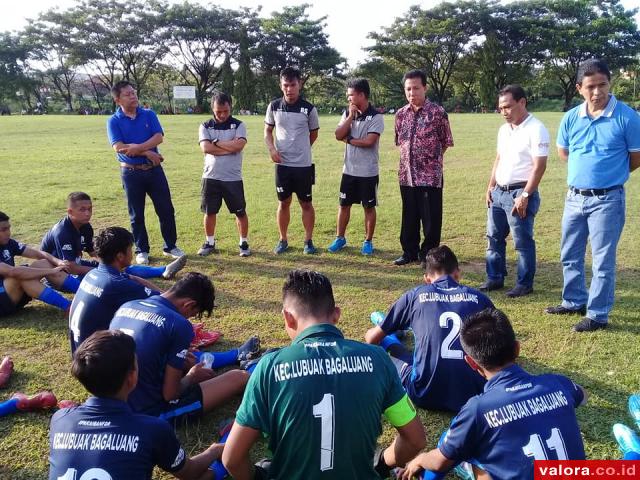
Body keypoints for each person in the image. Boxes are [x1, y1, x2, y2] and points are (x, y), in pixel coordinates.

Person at [222, 270, 426, 480]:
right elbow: (415, 440)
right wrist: (381, 463)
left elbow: (232, 458)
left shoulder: (269, 367)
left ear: (287, 317)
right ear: (336, 314)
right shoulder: (378, 358)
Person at [399, 308, 587, 480]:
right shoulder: (557, 383)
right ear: (517, 348)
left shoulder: (478, 409)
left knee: (456, 444)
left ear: (472, 363)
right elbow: (583, 396)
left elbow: (440, 461)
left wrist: (421, 459)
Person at [49, 330, 227, 480]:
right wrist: (215, 450)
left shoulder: (60, 419)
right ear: (132, 378)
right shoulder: (152, 428)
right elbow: (190, 472)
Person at [546, 59, 640, 332]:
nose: (597, 92)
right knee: (570, 253)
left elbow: (635, 158)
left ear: (610, 84)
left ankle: (597, 314)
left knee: (602, 260)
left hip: (607, 200)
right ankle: (573, 300)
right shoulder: (571, 117)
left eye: (602, 85)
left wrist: (610, 176)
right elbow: (564, 153)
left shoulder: (628, 117)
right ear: (579, 88)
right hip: (574, 197)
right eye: (591, 87)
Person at [109, 272, 260, 421]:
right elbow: (170, 394)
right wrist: (191, 377)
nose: (189, 319)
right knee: (238, 377)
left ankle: (241, 356)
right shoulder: (178, 324)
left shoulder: (128, 306)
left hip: (112, 401)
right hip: (147, 412)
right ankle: (259, 366)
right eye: (193, 314)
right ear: (189, 304)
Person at [365, 245, 493, 412]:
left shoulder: (415, 295)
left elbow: (372, 339)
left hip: (424, 392)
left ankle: (389, 327)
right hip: (474, 393)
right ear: (458, 273)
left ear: (427, 279)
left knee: (389, 350)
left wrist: (376, 331)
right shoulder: (480, 299)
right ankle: (394, 328)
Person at [481, 85, 549, 298]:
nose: (504, 112)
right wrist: (490, 186)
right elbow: (499, 159)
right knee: (493, 237)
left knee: (522, 241)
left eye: (508, 107)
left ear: (522, 102)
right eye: (501, 108)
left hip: (519, 193)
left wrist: (526, 196)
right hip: (499, 192)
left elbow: (540, 166)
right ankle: (495, 277)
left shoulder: (536, 128)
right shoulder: (504, 130)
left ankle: (524, 283)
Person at [107, 80, 184, 265]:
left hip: (154, 170)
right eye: (128, 94)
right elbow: (119, 147)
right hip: (131, 173)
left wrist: (138, 148)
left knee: (166, 209)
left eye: (134, 92)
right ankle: (142, 249)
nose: (133, 96)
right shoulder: (114, 121)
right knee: (136, 213)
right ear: (118, 100)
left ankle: (170, 246)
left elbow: (159, 137)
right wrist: (147, 152)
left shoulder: (148, 114)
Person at [41, 192, 186, 283]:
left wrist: (110, 263)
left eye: (90, 209)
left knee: (116, 266)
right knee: (109, 276)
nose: (87, 213)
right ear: (70, 212)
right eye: (82, 210)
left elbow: (92, 252)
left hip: (75, 265)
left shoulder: (86, 226)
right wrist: (106, 270)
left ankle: (163, 270)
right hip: (58, 273)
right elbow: (71, 268)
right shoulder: (63, 232)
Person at [68, 226, 162, 353]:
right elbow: (163, 302)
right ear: (120, 256)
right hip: (98, 361)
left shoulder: (93, 274)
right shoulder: (117, 285)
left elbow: (133, 278)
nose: (132, 253)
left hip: (79, 355)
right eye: (130, 249)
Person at [393, 70, 453, 267]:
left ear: (425, 88)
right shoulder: (401, 115)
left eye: (416, 88)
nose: (412, 93)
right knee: (409, 215)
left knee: (431, 218)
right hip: (407, 175)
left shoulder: (437, 113)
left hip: (430, 176)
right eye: (408, 89)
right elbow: (399, 142)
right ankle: (408, 251)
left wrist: (430, 161)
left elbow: (445, 142)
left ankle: (428, 255)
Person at [264, 67, 320, 255]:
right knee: (284, 202)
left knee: (306, 203)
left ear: (299, 85)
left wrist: (302, 149)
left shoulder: (309, 109)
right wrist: (272, 149)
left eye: (293, 85)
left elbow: (313, 134)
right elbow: (267, 132)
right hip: (282, 165)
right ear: (281, 86)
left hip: (303, 166)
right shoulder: (274, 106)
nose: (289, 89)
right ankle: (283, 239)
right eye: (286, 85)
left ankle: (308, 240)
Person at [328, 78, 384, 256]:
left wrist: (350, 140)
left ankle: (368, 241)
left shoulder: (375, 116)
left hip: (368, 171)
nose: (349, 98)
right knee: (344, 205)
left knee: (368, 207)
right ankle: (340, 238)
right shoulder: (347, 113)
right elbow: (338, 135)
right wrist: (351, 117)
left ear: (362, 94)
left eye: (351, 95)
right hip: (349, 171)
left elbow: (369, 141)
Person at [197, 92, 250, 257]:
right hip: (211, 176)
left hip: (232, 177)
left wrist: (217, 143)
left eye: (225, 111)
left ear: (230, 107)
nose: (222, 115)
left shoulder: (239, 125)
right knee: (209, 211)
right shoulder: (205, 126)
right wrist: (228, 146)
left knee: (240, 212)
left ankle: (243, 242)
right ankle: (210, 242)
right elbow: (206, 148)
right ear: (212, 108)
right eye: (218, 111)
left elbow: (238, 146)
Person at [0, 211, 73, 316]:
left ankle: (86, 292)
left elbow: (39, 254)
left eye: (8, 228)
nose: (8, 232)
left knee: (43, 263)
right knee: (20, 275)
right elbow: (13, 271)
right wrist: (50, 271)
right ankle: (69, 307)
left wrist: (58, 262)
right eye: (3, 230)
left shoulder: (8, 242)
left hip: (11, 295)